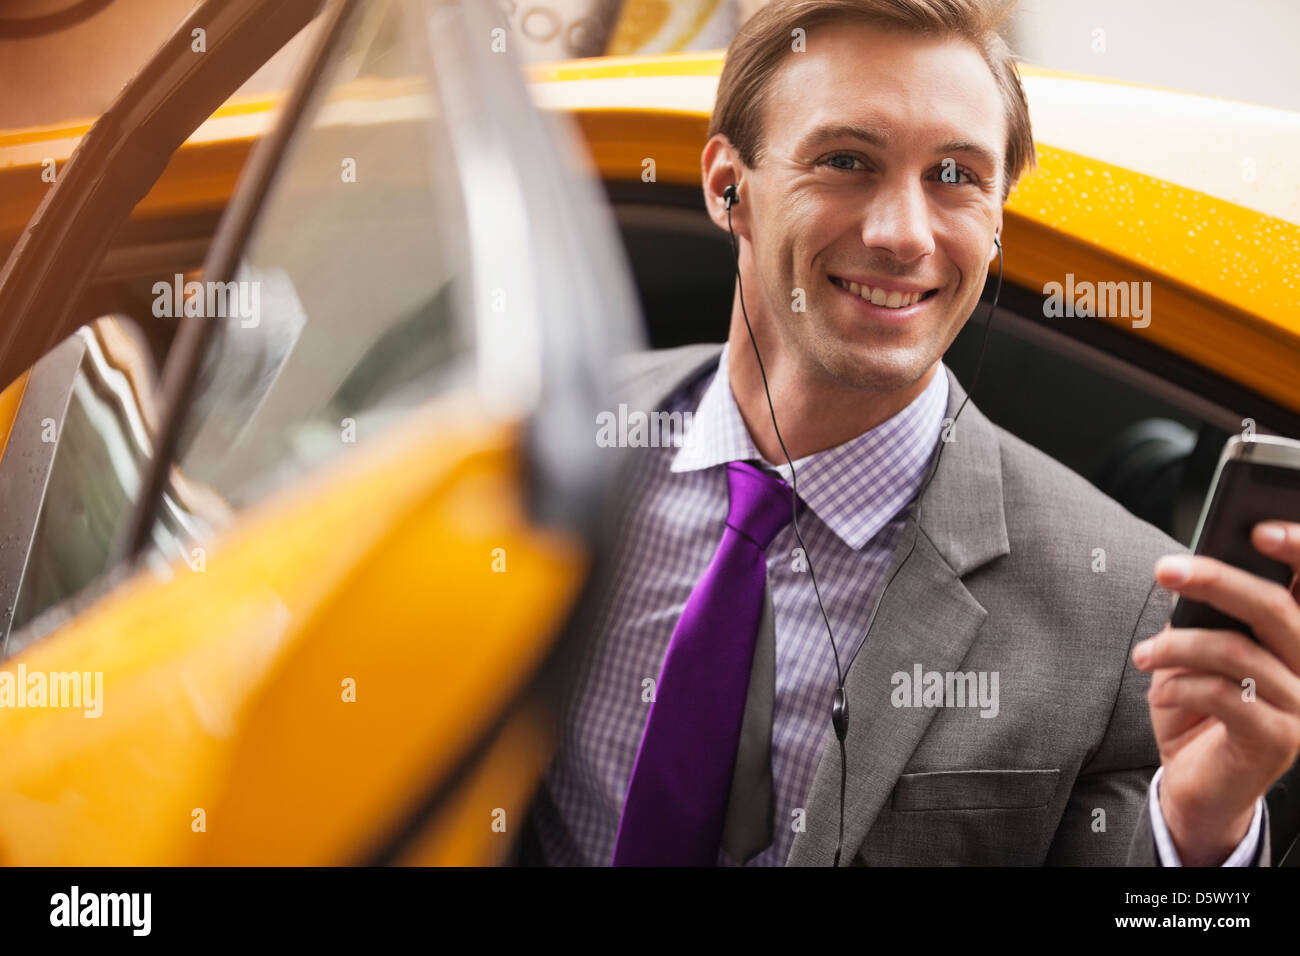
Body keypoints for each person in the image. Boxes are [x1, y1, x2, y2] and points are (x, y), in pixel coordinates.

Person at [522, 0, 1300, 866]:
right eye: (847, 160)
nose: (902, 234)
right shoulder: (541, 438)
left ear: (1000, 215)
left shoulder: (1129, 614)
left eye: (956, 177)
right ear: (725, 186)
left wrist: (1201, 835)